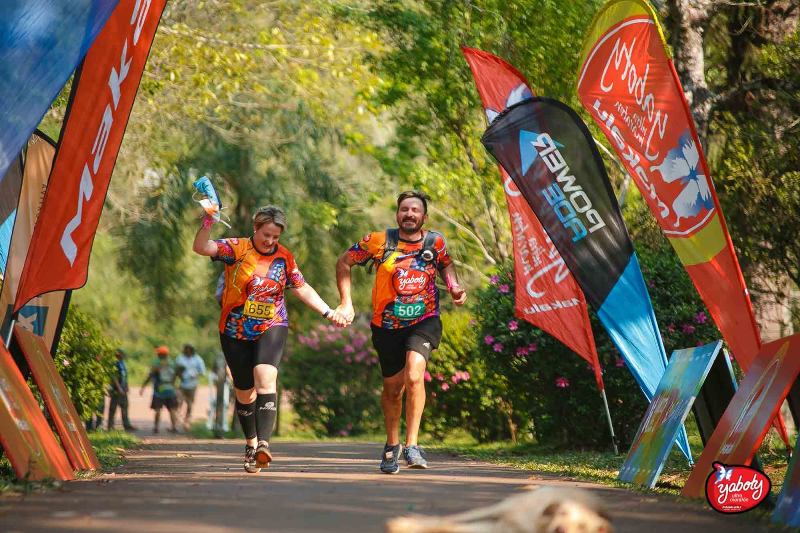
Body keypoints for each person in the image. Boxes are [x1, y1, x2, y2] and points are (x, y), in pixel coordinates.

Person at [192, 204, 346, 473]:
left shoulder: (285, 258)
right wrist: (208, 221)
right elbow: (201, 248)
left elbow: (302, 287)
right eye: (266, 235)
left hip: (271, 325)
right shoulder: (236, 248)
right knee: (244, 391)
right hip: (234, 329)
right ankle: (250, 444)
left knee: (265, 378)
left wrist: (327, 311)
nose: (270, 241)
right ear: (256, 229)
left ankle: (264, 444)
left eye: (276, 237)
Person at [335, 191, 467, 474]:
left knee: (415, 374)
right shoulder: (378, 242)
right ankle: (392, 445)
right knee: (393, 389)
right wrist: (346, 302)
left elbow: (446, 264)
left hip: (424, 320)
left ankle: (412, 445)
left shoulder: (435, 242)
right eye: (404, 209)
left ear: (424, 217)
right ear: (398, 214)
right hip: (387, 326)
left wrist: (454, 286)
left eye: (415, 210)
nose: (409, 214)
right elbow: (343, 262)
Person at [140, 345, 179, 434]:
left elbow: (150, 376)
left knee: (158, 409)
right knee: (172, 409)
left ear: (160, 354)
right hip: (170, 389)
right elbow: (176, 375)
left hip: (159, 390)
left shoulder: (156, 363)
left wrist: (143, 387)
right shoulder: (172, 363)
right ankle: (174, 427)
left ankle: (156, 427)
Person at [175, 344, 206, 431]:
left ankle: (187, 421)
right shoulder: (180, 358)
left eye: (189, 350)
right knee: (178, 401)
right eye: (186, 350)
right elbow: (176, 370)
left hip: (193, 385)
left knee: (190, 404)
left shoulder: (197, 359)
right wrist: (179, 374)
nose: (187, 351)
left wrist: (195, 374)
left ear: (192, 350)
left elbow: (202, 372)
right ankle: (176, 421)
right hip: (182, 384)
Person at [107, 348, 136, 431]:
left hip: (123, 388)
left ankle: (126, 424)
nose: (123, 356)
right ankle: (110, 426)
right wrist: (119, 387)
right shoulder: (115, 364)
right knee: (113, 407)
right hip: (116, 389)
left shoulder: (122, 363)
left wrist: (126, 386)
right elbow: (114, 376)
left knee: (125, 406)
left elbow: (124, 376)